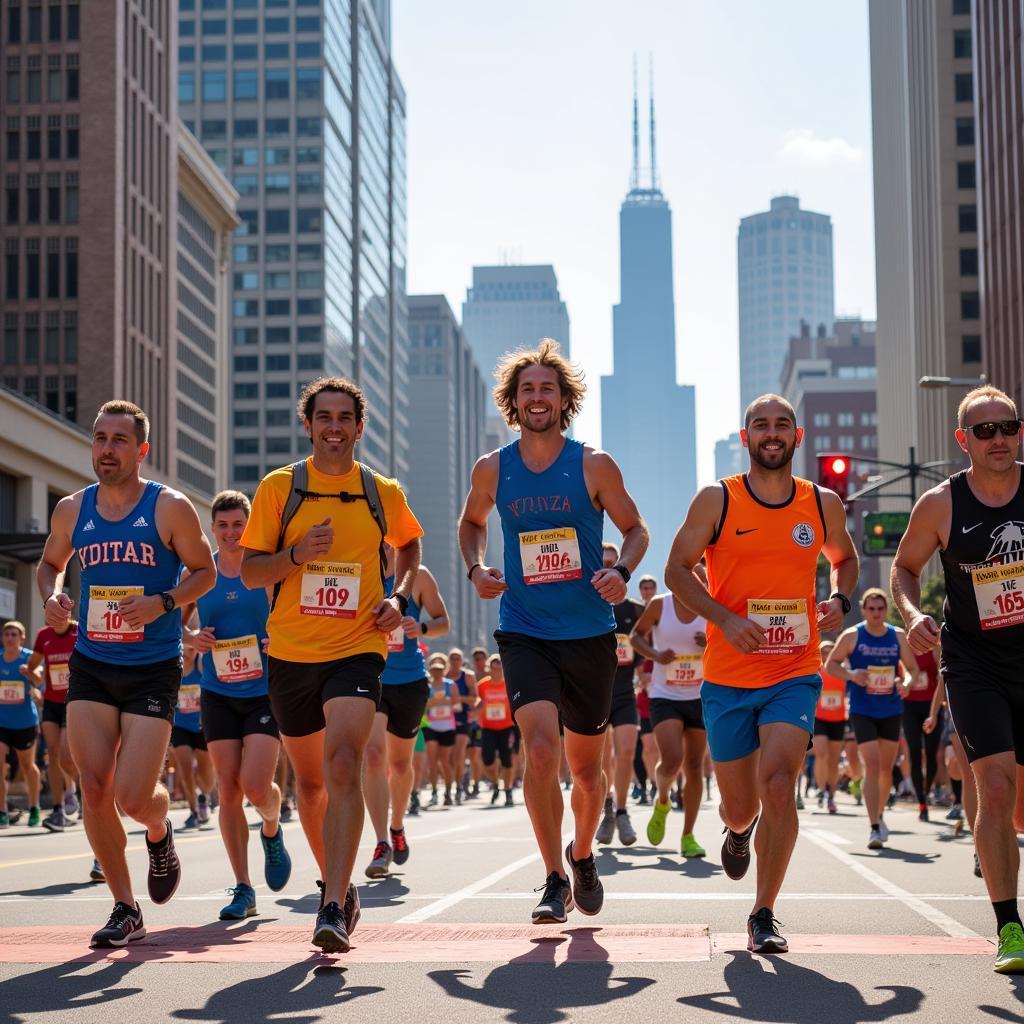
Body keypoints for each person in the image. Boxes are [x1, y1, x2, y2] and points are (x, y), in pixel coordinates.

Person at [459, 339, 649, 924]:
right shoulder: (493, 467)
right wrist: (476, 567)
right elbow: (471, 524)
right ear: (512, 402)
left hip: (589, 632)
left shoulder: (593, 463)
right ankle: (550, 876)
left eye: (547, 388)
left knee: (588, 773)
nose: (536, 397)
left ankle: (583, 851)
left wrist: (620, 571)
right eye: (526, 389)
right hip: (523, 629)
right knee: (541, 751)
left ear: (564, 398)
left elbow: (636, 529)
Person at [663, 394, 858, 953]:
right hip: (727, 677)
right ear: (745, 437)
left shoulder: (822, 505)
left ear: (798, 437)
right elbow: (676, 570)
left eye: (782, 425)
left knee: (779, 784)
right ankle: (737, 829)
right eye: (760, 425)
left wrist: (840, 601)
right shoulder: (716, 500)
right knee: (741, 804)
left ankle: (763, 912)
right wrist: (724, 617)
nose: (771, 433)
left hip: (795, 669)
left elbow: (844, 559)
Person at [239, 377, 423, 954]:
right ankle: (339, 890)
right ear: (309, 424)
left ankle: (330, 905)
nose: (335, 427)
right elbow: (250, 573)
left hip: (358, 647)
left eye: (345, 417)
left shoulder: (380, 490)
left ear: (360, 427)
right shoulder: (280, 488)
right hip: (291, 651)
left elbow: (411, 545)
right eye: (325, 417)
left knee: (345, 763)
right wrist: (296, 555)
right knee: (312, 785)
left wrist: (398, 598)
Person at [37, 400, 216, 947]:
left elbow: (205, 573)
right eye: (99, 438)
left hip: (151, 668)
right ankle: (125, 906)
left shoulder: (170, 508)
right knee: (92, 785)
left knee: (132, 799)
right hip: (92, 661)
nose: (106, 448)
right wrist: (55, 595)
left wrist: (163, 601)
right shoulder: (72, 510)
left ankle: (158, 831)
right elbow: (49, 564)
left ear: (141, 450)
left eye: (118, 440)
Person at [890, 384, 1024, 972]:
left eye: (1009, 426)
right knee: (994, 787)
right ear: (962, 440)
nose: (999, 438)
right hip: (974, 661)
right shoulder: (941, 504)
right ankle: (1010, 928)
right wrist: (914, 614)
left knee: (1020, 808)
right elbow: (904, 568)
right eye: (985, 430)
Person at [179, 490, 291, 920]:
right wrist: (192, 638)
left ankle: (271, 824)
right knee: (227, 789)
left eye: (238, 525)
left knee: (256, 787)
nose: (230, 533)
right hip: (218, 691)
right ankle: (244, 888)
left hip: (264, 691)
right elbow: (174, 616)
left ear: (249, 525)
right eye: (222, 526)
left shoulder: (262, 568)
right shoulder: (202, 570)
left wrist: (274, 638)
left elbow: (291, 613)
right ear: (212, 528)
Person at [364, 549, 449, 878]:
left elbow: (444, 622)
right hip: (371, 676)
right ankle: (382, 841)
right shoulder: (359, 568)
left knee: (400, 765)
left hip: (410, 681)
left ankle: (397, 825)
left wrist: (422, 628)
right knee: (373, 756)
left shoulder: (418, 576)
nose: (385, 543)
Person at [824, 588, 919, 849]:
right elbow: (830, 665)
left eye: (881, 609)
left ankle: (879, 814)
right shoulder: (853, 635)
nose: (876, 614)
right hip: (862, 709)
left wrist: (905, 683)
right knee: (873, 766)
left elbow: (912, 669)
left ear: (886, 610)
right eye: (871, 609)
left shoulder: (897, 635)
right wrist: (853, 674)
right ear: (864, 610)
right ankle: (874, 827)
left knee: (886, 770)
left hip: (890, 708)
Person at [629, 584, 709, 858]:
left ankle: (688, 835)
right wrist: (655, 655)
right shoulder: (660, 605)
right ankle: (662, 800)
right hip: (665, 695)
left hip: (699, 695)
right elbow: (635, 636)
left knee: (695, 765)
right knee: (673, 759)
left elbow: (730, 640)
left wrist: (711, 645)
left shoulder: (711, 605)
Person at [594, 542, 644, 846]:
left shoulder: (635, 608)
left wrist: (648, 666)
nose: (609, 567)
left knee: (626, 751)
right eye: (603, 563)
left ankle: (623, 811)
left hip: (625, 690)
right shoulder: (585, 602)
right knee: (602, 757)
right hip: (595, 691)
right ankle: (608, 807)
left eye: (614, 563)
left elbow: (650, 639)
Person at [24, 619, 78, 831]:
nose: (56, 616)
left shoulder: (78, 631)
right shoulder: (43, 635)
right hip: (51, 703)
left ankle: (71, 787)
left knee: (66, 755)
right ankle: (58, 810)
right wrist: (32, 675)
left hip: (74, 700)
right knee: (52, 754)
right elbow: (33, 667)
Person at [0, 621, 41, 827]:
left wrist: (29, 674)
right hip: (2, 722)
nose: (9, 638)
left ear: (22, 638)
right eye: (6, 634)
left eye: (14, 634)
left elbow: (40, 682)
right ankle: (2, 811)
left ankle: (34, 806)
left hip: (24, 721)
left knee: (27, 766)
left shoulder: (28, 657)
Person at [170, 648, 214, 829]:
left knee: (206, 771)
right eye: (184, 647)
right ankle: (193, 809)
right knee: (185, 768)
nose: (187, 652)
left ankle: (204, 795)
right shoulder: (175, 666)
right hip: (180, 725)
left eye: (191, 648)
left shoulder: (201, 664)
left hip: (202, 725)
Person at [903, 645, 942, 821]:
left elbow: (941, 674)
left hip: (931, 706)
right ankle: (922, 801)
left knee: (932, 753)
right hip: (909, 706)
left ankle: (926, 790)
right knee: (915, 751)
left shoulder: (933, 648)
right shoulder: (903, 647)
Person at [812, 641, 846, 815]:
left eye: (830, 651)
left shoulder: (841, 670)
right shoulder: (816, 670)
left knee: (833, 760)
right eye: (823, 652)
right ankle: (820, 788)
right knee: (821, 753)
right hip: (819, 718)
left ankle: (830, 793)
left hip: (838, 719)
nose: (826, 654)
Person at [477, 655, 517, 805]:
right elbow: (478, 701)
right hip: (487, 727)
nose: (496, 671)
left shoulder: (509, 683)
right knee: (487, 761)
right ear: (489, 669)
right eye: (493, 668)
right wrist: (475, 710)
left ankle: (508, 791)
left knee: (507, 761)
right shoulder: (482, 685)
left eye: (499, 668)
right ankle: (495, 783)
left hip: (506, 727)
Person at [446, 648, 477, 805]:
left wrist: (456, 699)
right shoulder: (443, 677)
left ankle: (457, 787)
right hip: (445, 721)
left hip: (464, 720)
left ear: (462, 660)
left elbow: (473, 699)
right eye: (452, 658)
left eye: (458, 658)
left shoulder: (468, 676)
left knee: (458, 754)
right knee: (448, 759)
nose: (455, 661)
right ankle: (456, 781)